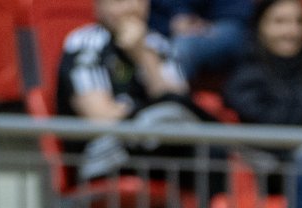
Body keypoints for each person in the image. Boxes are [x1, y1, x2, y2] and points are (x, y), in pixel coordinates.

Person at [57, 0, 208, 183]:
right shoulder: (86, 43)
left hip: (159, 151)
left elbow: (181, 103)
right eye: (118, 2)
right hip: (104, 158)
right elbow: (100, 118)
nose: (129, 8)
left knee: (207, 146)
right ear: (99, 7)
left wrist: (141, 55)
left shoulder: (158, 44)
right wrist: (144, 110)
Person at [224, 0, 302, 127]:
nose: (292, 31)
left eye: (300, 21)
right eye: (280, 21)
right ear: (259, 25)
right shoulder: (243, 77)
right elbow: (274, 131)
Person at [152, 0, 256, 86]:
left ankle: (170, 95)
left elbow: (241, 14)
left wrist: (202, 25)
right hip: (163, 31)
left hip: (219, 26)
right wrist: (177, 19)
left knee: (185, 46)